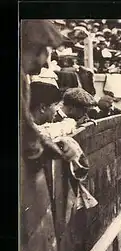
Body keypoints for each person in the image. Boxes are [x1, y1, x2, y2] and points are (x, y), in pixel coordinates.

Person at [21, 20, 72, 161]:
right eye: (46, 51)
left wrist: (44, 142)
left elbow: (25, 123)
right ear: (35, 48)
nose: (44, 61)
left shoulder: (23, 76)